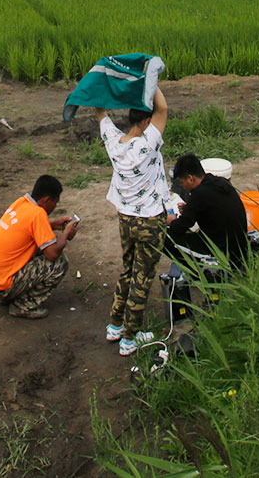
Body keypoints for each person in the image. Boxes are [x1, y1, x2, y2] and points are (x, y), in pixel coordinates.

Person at [98, 85, 170, 355]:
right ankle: (130, 337)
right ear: (146, 122)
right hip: (150, 221)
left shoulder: (115, 142)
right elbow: (163, 108)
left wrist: (100, 90)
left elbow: (100, 114)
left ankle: (115, 324)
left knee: (128, 269)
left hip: (126, 220)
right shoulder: (147, 144)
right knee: (143, 277)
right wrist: (151, 79)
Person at [0, 174, 79, 318]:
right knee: (60, 262)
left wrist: (51, 225)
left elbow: (25, 229)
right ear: (46, 200)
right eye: (55, 203)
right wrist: (66, 234)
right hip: (2, 286)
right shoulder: (38, 214)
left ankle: (13, 293)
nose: (55, 207)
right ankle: (24, 306)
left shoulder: (21, 203)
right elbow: (52, 254)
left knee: (39, 247)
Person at [166, 153, 252, 271]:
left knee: (164, 237)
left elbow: (181, 226)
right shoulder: (220, 182)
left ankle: (199, 273)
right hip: (239, 248)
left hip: (222, 253)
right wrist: (190, 209)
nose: (183, 186)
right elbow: (213, 209)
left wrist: (170, 221)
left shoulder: (199, 194)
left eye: (182, 182)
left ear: (191, 178)